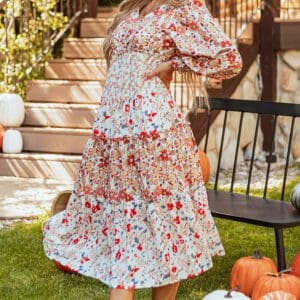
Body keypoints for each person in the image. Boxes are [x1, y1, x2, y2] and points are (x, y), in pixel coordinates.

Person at [42, 0, 242, 299]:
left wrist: (174, 64)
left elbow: (229, 59)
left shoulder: (182, 7)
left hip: (154, 134)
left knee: (167, 223)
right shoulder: (134, 8)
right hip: (114, 133)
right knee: (125, 223)